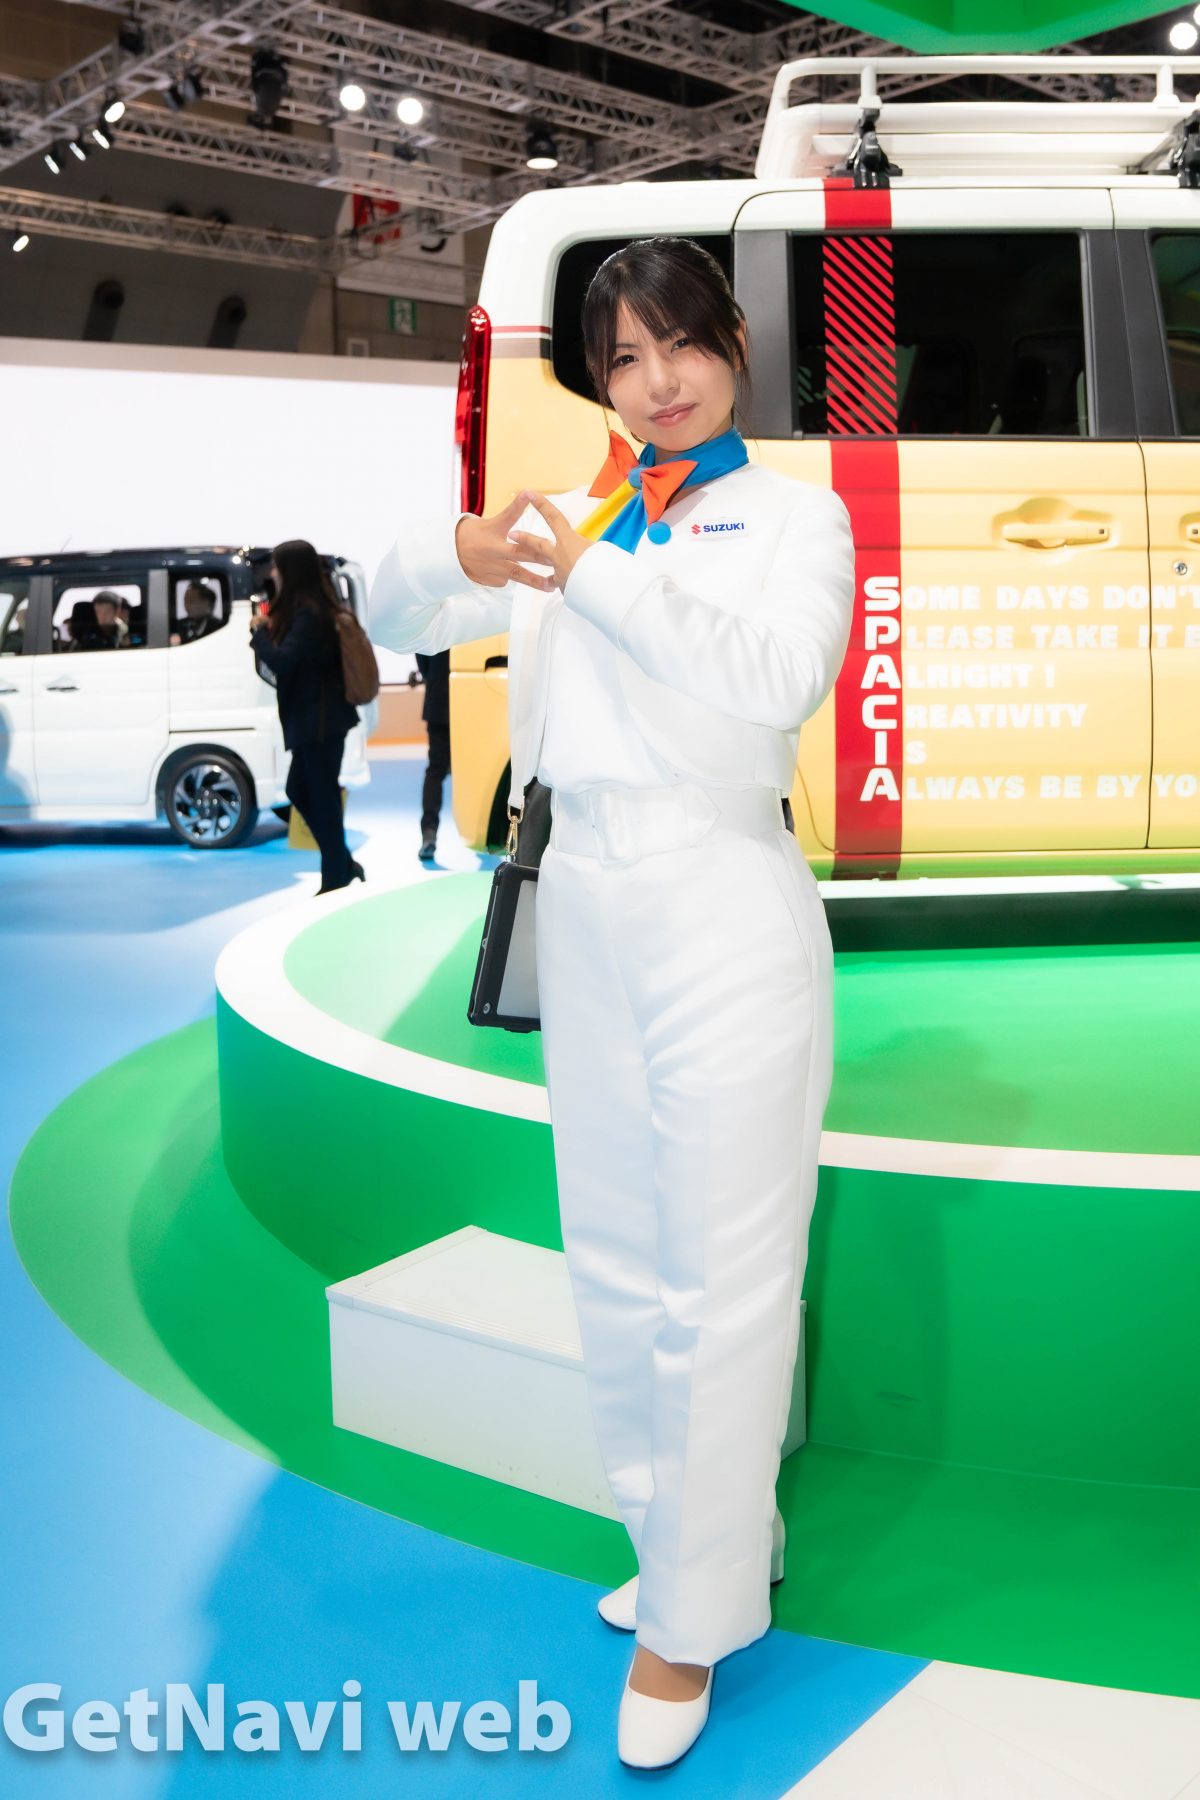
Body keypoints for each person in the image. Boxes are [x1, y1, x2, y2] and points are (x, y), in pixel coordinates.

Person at [367, 235, 855, 1768]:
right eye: (623, 360)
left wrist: (594, 567)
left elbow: (771, 678)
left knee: (726, 1274)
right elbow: (392, 606)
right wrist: (463, 548)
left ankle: (687, 1627)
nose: (657, 381)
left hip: (725, 901)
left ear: (734, 347)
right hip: (583, 904)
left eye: (680, 345)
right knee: (622, 1259)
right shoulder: (580, 515)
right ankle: (686, 1541)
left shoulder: (799, 518)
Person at [250, 539, 364, 894]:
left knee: (318, 798)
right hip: (317, 722)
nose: (273, 573)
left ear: (291, 570)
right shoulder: (310, 609)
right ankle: (343, 864)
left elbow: (283, 661)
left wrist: (259, 633)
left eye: (276, 566)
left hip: (320, 724)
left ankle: (335, 877)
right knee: (303, 791)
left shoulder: (309, 613)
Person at [413, 648, 449, 860]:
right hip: (472, 700)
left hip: (438, 699)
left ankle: (429, 833)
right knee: (480, 772)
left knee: (435, 770)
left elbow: (422, 654)